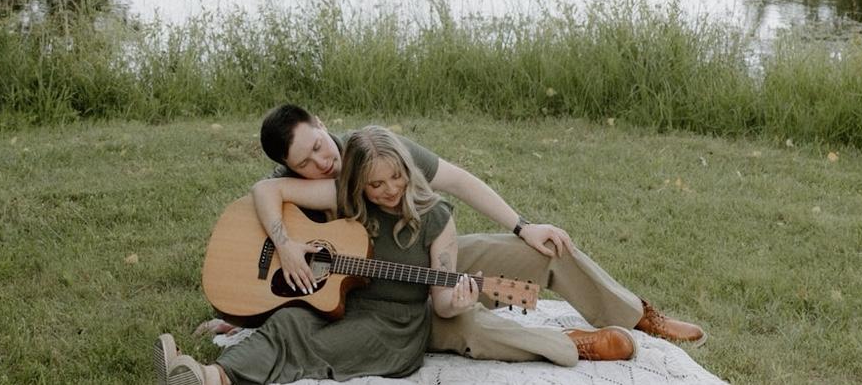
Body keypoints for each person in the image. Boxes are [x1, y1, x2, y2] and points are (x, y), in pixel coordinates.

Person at [255, 104, 705, 367]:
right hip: (380, 298)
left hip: (433, 257)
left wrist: (523, 226)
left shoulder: (379, 149)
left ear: (321, 123)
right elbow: (261, 208)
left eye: (319, 146)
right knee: (465, 323)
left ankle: (636, 315)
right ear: (289, 169)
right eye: (304, 162)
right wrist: (275, 265)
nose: (322, 162)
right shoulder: (298, 188)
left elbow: (459, 181)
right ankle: (569, 343)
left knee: (547, 249)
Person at [155, 127, 488, 385]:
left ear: (407, 169)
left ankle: (210, 378)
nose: (390, 189)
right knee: (288, 323)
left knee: (309, 344)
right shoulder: (346, 198)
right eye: (375, 184)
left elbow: (442, 303)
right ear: (359, 183)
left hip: (393, 328)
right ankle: (205, 374)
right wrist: (286, 246)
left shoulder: (436, 217)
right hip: (340, 304)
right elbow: (267, 190)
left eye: (397, 176)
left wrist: (458, 302)